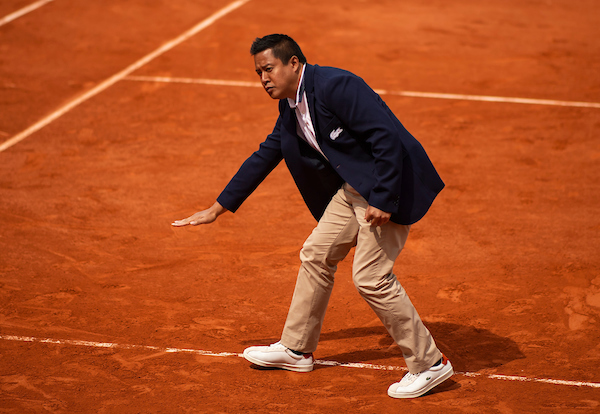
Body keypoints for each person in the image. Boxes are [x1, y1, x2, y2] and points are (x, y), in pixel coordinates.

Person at [172, 34, 453, 398]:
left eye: (268, 69)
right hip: (355, 189)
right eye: (258, 72)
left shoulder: (337, 86)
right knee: (316, 254)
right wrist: (217, 207)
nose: (263, 79)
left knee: (370, 278)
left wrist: (384, 197)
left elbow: (386, 138)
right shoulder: (291, 106)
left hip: (391, 187)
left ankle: (430, 364)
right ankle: (296, 349)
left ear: (293, 63)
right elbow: (266, 154)